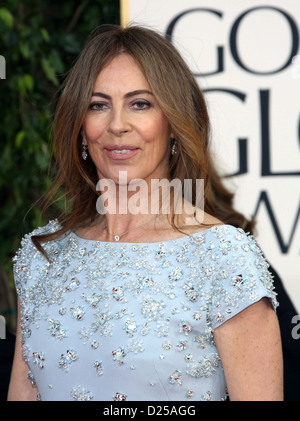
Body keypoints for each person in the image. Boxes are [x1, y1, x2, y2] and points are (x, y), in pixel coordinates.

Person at [8, 24, 283, 401]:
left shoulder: (224, 258)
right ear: (81, 128)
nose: (117, 125)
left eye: (140, 104)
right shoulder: (42, 257)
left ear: (172, 124)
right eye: (98, 105)